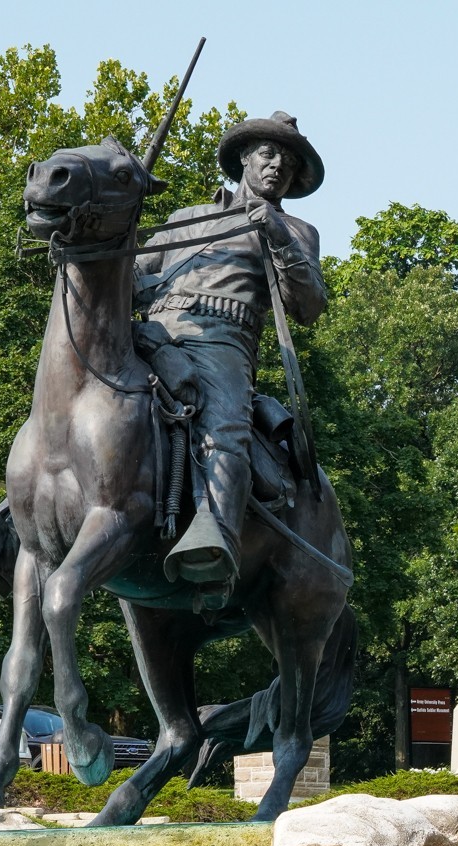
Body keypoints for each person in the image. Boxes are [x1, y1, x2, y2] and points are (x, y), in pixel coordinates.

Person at [134, 112, 328, 591]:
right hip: (152, 330)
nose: (277, 165)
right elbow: (133, 278)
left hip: (223, 339)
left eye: (288, 161)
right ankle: (11, 520)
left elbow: (308, 306)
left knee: (224, 426)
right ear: (245, 158)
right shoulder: (185, 219)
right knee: (70, 395)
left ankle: (214, 536)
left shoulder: (297, 230)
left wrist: (278, 237)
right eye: (268, 153)